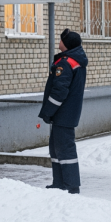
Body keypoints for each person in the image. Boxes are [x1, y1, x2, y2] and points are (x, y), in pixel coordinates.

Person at [38, 28, 88, 194]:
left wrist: (48, 111)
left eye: (61, 40)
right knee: (56, 149)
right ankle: (59, 183)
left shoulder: (65, 63)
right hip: (66, 113)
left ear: (66, 45)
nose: (58, 43)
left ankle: (71, 186)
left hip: (63, 114)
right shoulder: (74, 61)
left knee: (65, 150)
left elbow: (59, 91)